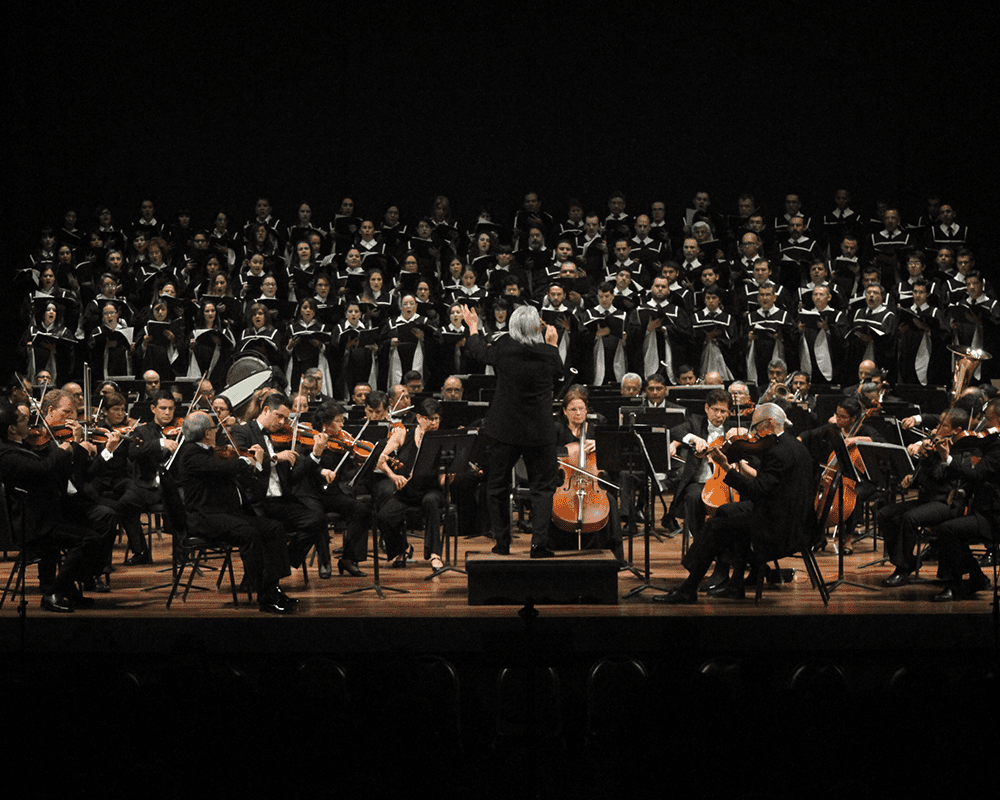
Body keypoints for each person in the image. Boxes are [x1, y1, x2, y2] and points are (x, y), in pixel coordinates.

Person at [654, 403, 815, 603]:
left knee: (715, 526)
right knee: (726, 511)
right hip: (793, 518)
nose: (754, 433)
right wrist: (738, 466)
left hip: (780, 528)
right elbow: (767, 484)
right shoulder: (794, 446)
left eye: (757, 427)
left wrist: (724, 467)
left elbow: (756, 492)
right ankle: (734, 583)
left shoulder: (777, 453)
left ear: (770, 423)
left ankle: (689, 587)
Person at [462, 303, 563, 557]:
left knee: (497, 486)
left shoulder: (503, 349)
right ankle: (539, 544)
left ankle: (502, 543)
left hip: (504, 429)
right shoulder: (549, 353)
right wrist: (552, 344)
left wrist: (473, 326)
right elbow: (559, 373)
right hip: (539, 431)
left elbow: (476, 351)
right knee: (543, 489)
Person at [171, 410, 297, 613]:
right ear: (207, 433)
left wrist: (249, 462)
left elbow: (225, 469)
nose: (217, 431)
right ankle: (261, 593)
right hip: (205, 518)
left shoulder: (208, 451)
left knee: (274, 528)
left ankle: (273, 587)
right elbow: (221, 469)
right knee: (249, 533)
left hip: (225, 515)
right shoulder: (190, 454)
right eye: (214, 427)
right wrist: (244, 461)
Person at [0, 401, 107, 612]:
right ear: (11, 428)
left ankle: (68, 590)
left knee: (99, 527)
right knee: (90, 539)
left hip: (46, 515)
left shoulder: (17, 447)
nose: (29, 422)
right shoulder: (7, 455)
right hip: (34, 525)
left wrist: (72, 449)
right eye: (22, 419)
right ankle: (54, 592)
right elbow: (44, 469)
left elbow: (53, 473)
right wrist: (65, 449)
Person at [229, 392, 329, 573]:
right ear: (266, 410)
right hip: (256, 502)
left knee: (317, 520)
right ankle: (272, 570)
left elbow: (293, 478)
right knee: (271, 531)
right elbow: (244, 461)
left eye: (286, 418)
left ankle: (285, 562)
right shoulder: (242, 431)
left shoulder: (282, 437)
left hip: (280, 501)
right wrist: (275, 458)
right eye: (279, 416)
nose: (283, 422)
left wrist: (315, 454)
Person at [551, 385, 624, 560]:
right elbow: (548, 455)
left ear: (586, 410)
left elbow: (614, 456)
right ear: (565, 411)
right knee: (549, 499)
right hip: (564, 481)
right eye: (573, 409)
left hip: (592, 483)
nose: (578, 413)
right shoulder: (557, 429)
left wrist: (600, 445)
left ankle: (617, 556)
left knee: (611, 501)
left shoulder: (596, 429)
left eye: (581, 409)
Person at [376, 398, 448, 572]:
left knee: (431, 502)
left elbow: (441, 482)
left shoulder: (442, 440)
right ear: (419, 418)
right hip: (406, 491)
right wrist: (393, 477)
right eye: (429, 419)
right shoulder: (403, 434)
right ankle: (402, 549)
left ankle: (435, 555)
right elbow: (380, 460)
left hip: (430, 492)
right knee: (383, 516)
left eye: (437, 419)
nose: (433, 423)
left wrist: (449, 473)